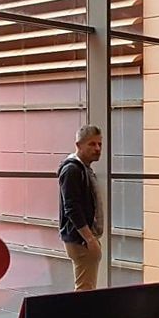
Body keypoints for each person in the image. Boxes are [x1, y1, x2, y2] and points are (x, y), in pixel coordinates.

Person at [57, 125, 104, 291]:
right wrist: (89, 239)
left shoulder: (83, 169)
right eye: (92, 144)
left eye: (99, 144)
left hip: (84, 238)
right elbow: (72, 207)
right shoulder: (72, 170)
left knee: (86, 288)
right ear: (78, 145)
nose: (97, 148)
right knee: (85, 290)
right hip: (81, 240)